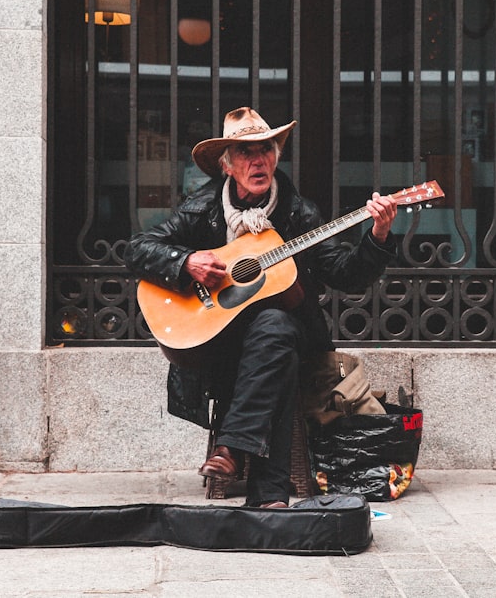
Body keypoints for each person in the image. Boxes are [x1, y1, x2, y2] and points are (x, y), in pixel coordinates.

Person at [125, 107, 397, 508]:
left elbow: (345, 274)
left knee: (275, 329)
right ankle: (268, 495)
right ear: (227, 165)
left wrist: (378, 233)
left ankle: (232, 451)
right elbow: (137, 250)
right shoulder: (202, 209)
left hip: (283, 344)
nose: (258, 160)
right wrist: (186, 263)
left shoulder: (298, 214)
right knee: (277, 347)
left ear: (276, 156)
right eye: (245, 152)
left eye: (266, 149)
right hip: (215, 348)